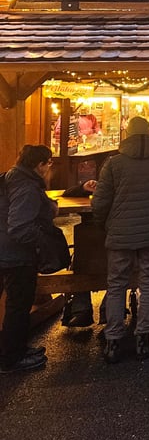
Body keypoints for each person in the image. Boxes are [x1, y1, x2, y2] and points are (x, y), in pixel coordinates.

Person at [91, 116, 149, 363]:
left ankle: (113, 341)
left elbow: (100, 202)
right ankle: (143, 338)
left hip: (120, 233)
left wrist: (105, 223)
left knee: (116, 285)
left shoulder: (114, 164)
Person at [0, 145, 54, 374]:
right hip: (15, 255)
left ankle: (16, 350)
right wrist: (43, 240)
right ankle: (12, 359)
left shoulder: (12, 177)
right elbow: (20, 227)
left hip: (6, 251)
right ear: (39, 165)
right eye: (48, 163)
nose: (50, 168)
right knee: (18, 305)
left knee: (17, 304)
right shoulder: (27, 186)